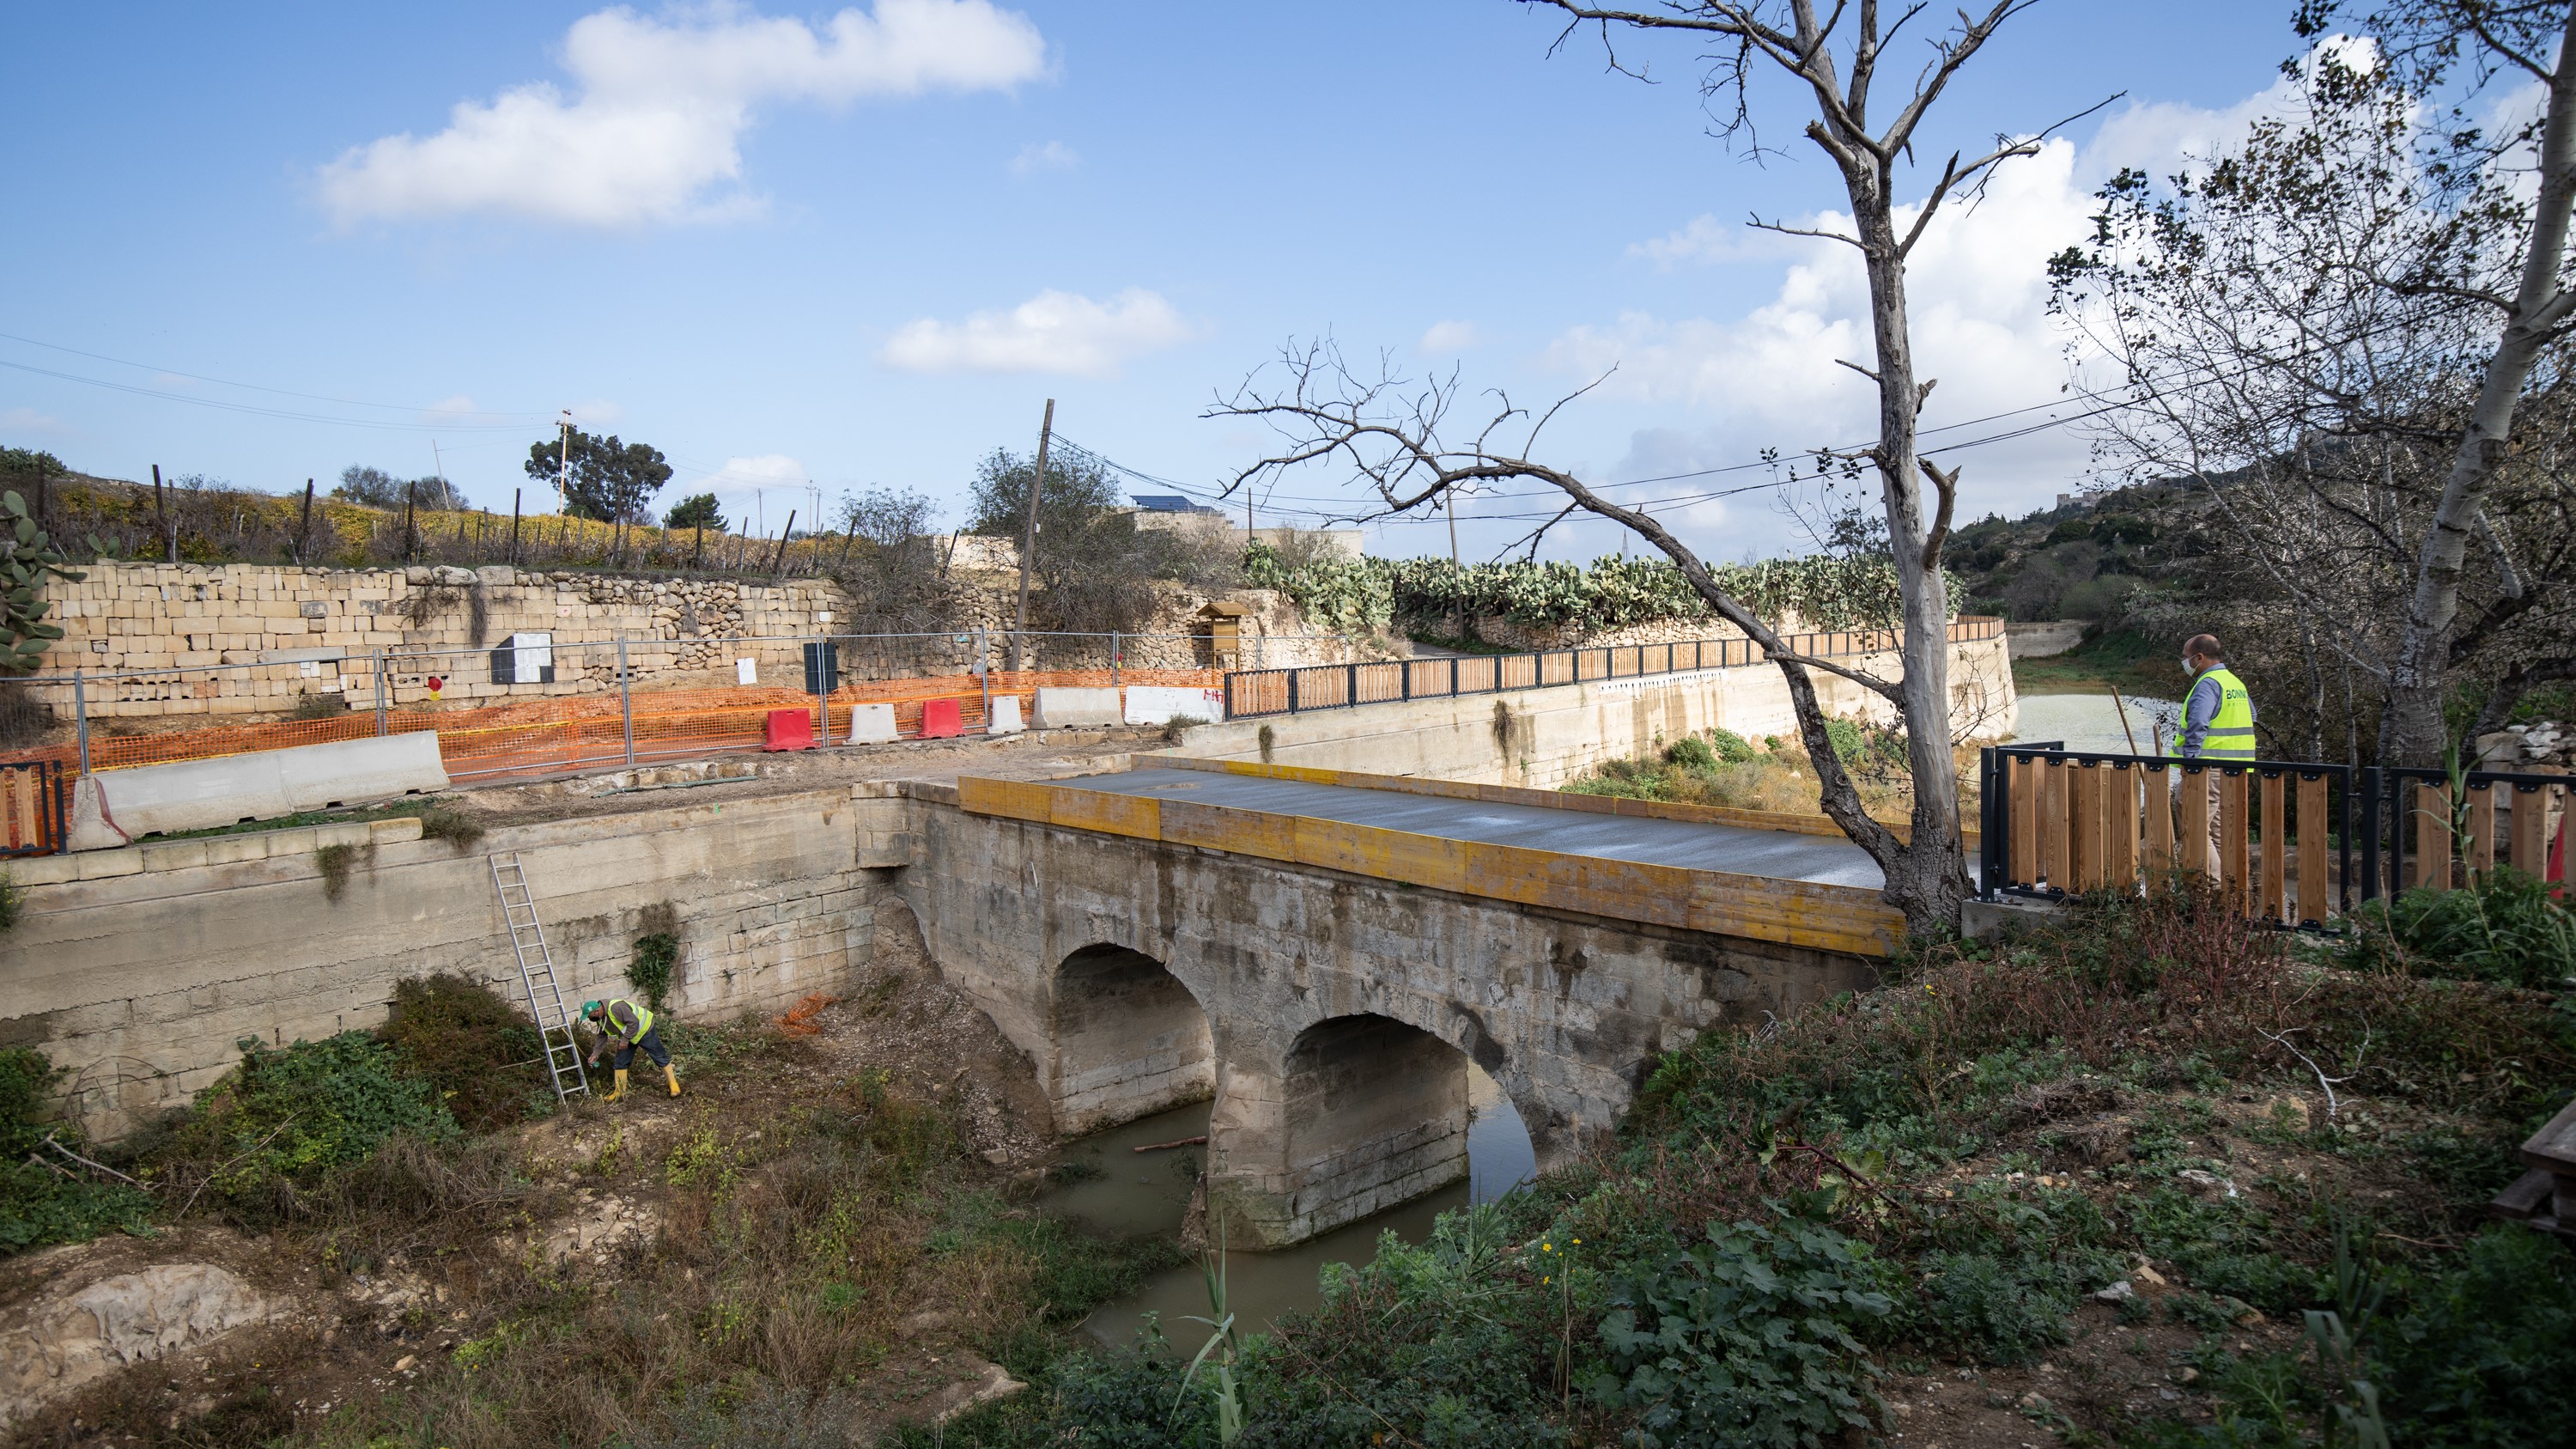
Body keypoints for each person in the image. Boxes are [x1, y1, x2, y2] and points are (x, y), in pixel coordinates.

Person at [2175, 634, 2257, 862]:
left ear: (2199, 657)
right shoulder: (2234, 682)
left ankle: (2212, 887)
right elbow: (2252, 715)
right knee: (2220, 832)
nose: (2184, 662)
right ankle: (2227, 891)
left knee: (2195, 827)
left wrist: (2190, 762)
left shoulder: (2208, 684)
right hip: (2236, 771)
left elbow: (2198, 723)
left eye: (2186, 657)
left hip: (2207, 770)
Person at [582, 997, 678, 1102]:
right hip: (628, 1035)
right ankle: (619, 1093)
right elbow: (602, 1036)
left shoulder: (617, 1008)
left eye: (590, 1017)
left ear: (597, 1011)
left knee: (659, 1056)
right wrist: (595, 1054)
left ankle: (673, 1084)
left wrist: (625, 1040)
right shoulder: (601, 1018)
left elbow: (634, 1022)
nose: (591, 1019)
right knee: (620, 1062)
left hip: (644, 1030)